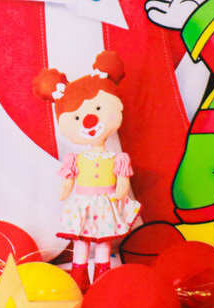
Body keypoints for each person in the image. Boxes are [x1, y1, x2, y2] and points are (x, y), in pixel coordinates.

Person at [34, 51, 141, 289]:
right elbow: (67, 184)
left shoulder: (117, 158)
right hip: (83, 204)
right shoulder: (76, 159)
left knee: (103, 241)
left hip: (106, 203)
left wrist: (121, 192)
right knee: (81, 240)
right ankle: (79, 277)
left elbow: (122, 182)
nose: (89, 121)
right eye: (77, 117)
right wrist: (65, 189)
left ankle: (102, 279)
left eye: (98, 108)